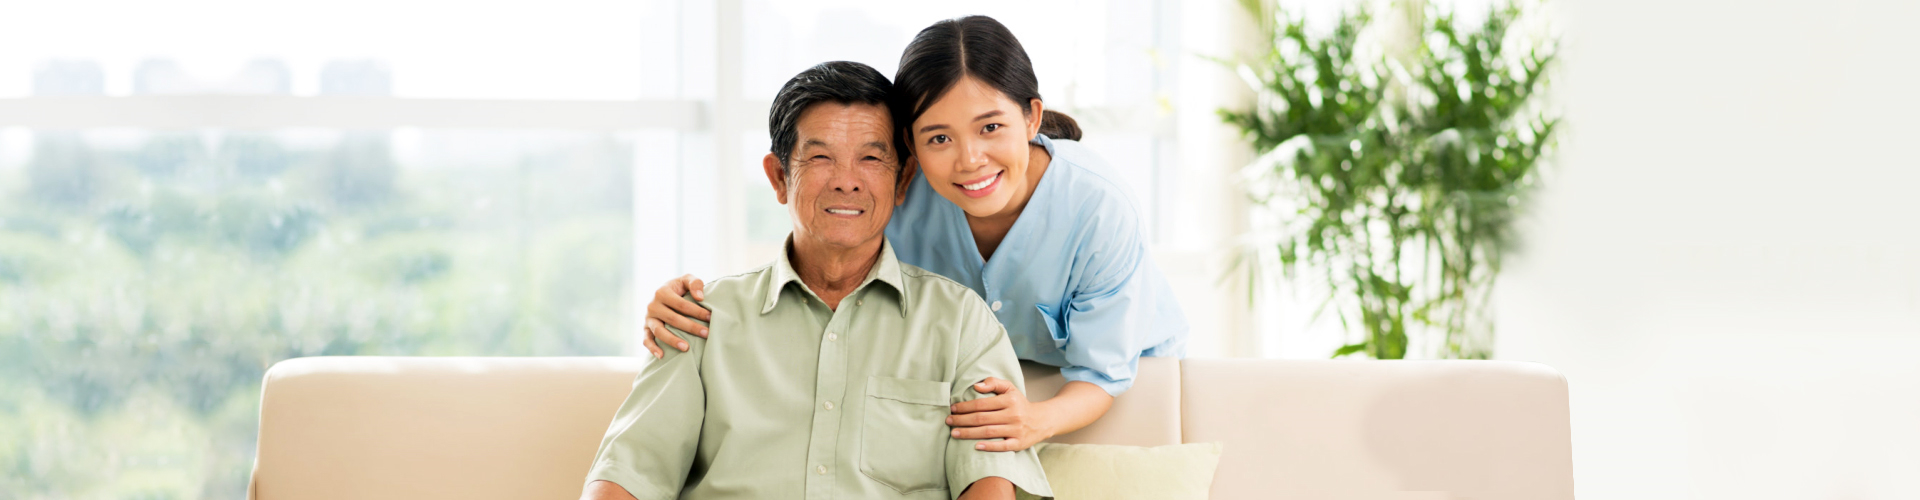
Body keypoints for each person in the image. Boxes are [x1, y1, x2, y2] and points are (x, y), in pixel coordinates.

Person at [644, 15, 1188, 452]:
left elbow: (1103, 371)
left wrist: (1036, 420)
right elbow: (818, 248)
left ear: (1031, 117)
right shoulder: (899, 191)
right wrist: (689, 302)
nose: (970, 160)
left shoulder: (1097, 206)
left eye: (991, 127)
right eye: (938, 137)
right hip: (974, 376)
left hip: (1110, 381)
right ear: (910, 146)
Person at [580, 61, 1050, 500]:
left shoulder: (962, 321)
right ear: (780, 176)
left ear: (903, 179)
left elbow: (988, 484)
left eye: (871, 158)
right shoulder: (700, 316)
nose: (847, 181)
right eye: (821, 157)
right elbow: (627, 475)